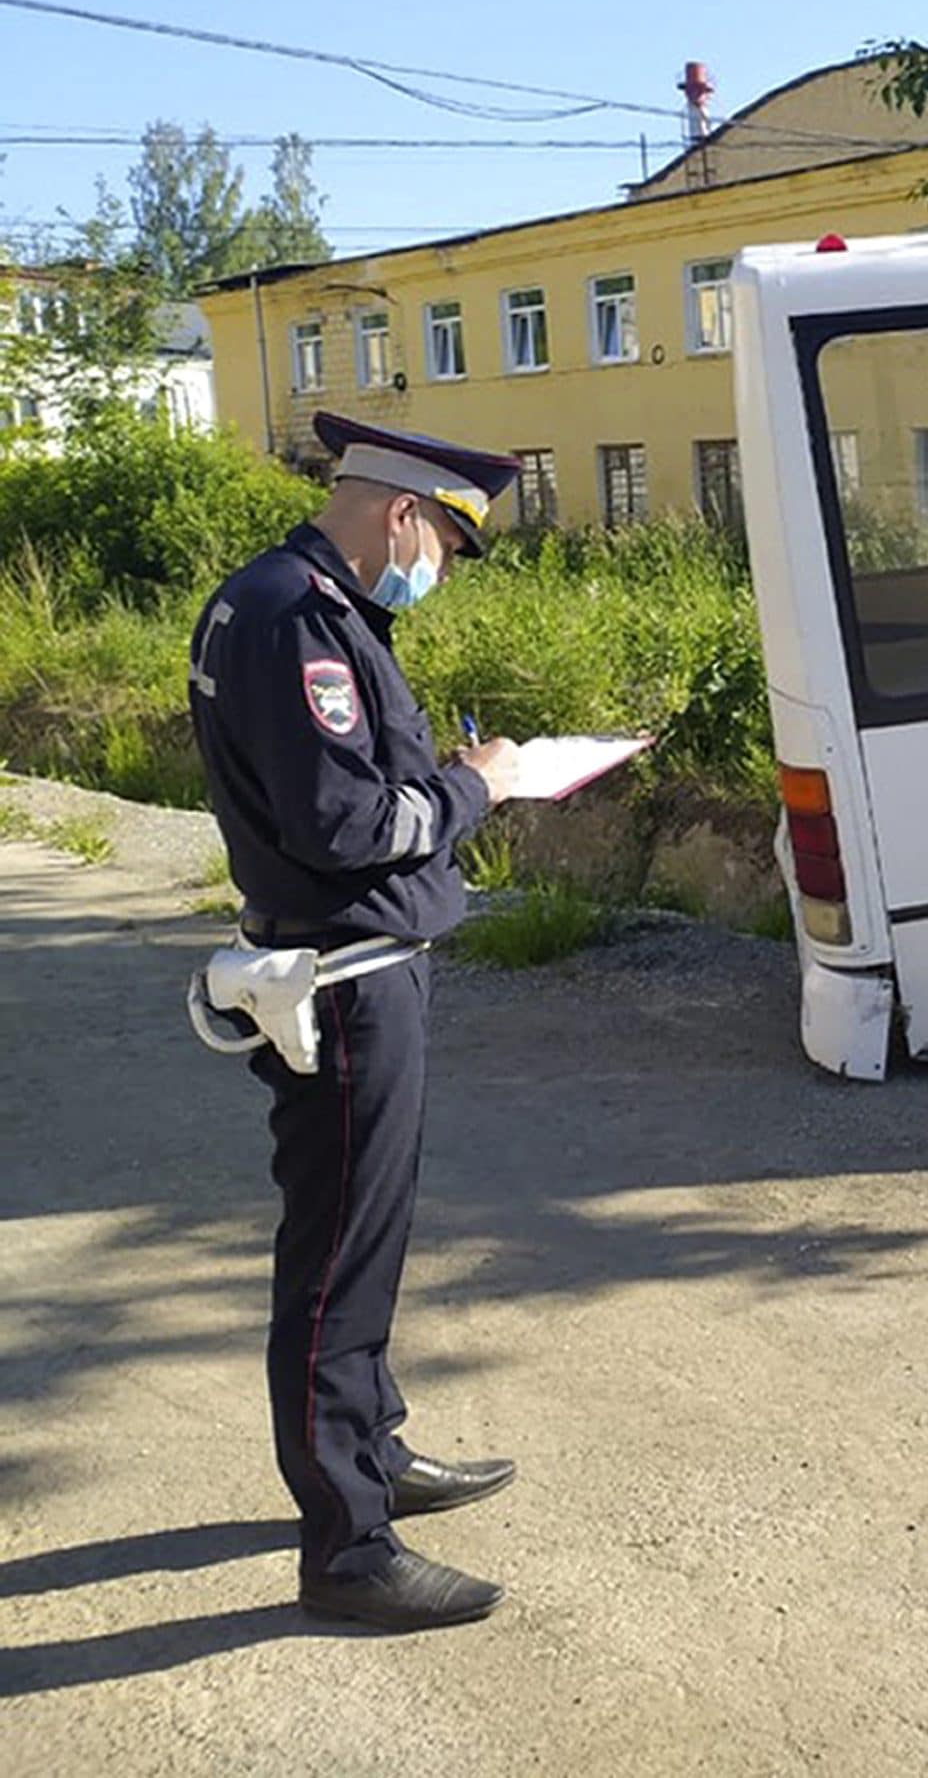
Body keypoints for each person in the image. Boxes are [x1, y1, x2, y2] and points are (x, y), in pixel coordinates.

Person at [187, 412, 525, 1631]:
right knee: (334, 1264)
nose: (440, 569)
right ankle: (346, 1546)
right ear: (403, 513)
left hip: (357, 967)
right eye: (445, 545)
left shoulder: (299, 602)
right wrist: (478, 785)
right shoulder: (299, 619)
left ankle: (372, 1450)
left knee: (363, 1244)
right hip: (344, 978)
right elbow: (348, 826)